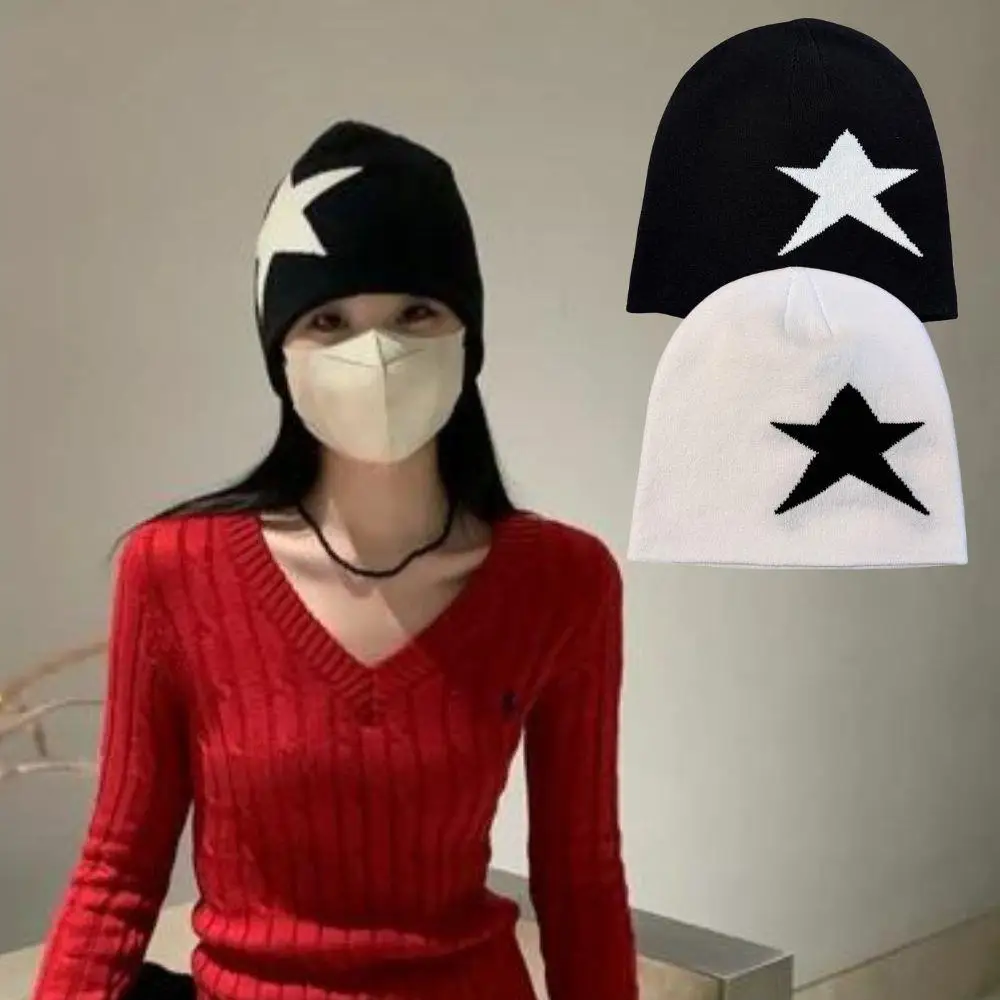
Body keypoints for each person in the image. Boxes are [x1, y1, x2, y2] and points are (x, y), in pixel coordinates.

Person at [30, 121, 638, 1000]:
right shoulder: (172, 571)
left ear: (467, 334)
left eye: (415, 313)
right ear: (280, 353)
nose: (376, 352)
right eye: (329, 320)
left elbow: (582, 880)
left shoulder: (563, 582)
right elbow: (118, 870)